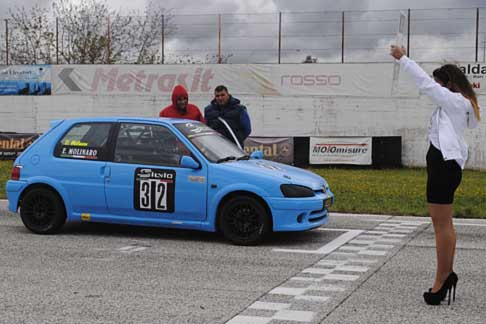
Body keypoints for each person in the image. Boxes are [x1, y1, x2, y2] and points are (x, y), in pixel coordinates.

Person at [390, 45, 480, 306]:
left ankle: (442, 280)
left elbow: (425, 84)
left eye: (439, 83)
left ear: (448, 84)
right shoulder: (458, 105)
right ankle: (446, 275)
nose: (434, 88)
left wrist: (402, 58)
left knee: (441, 226)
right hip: (445, 166)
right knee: (445, 225)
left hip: (443, 167)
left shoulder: (453, 102)